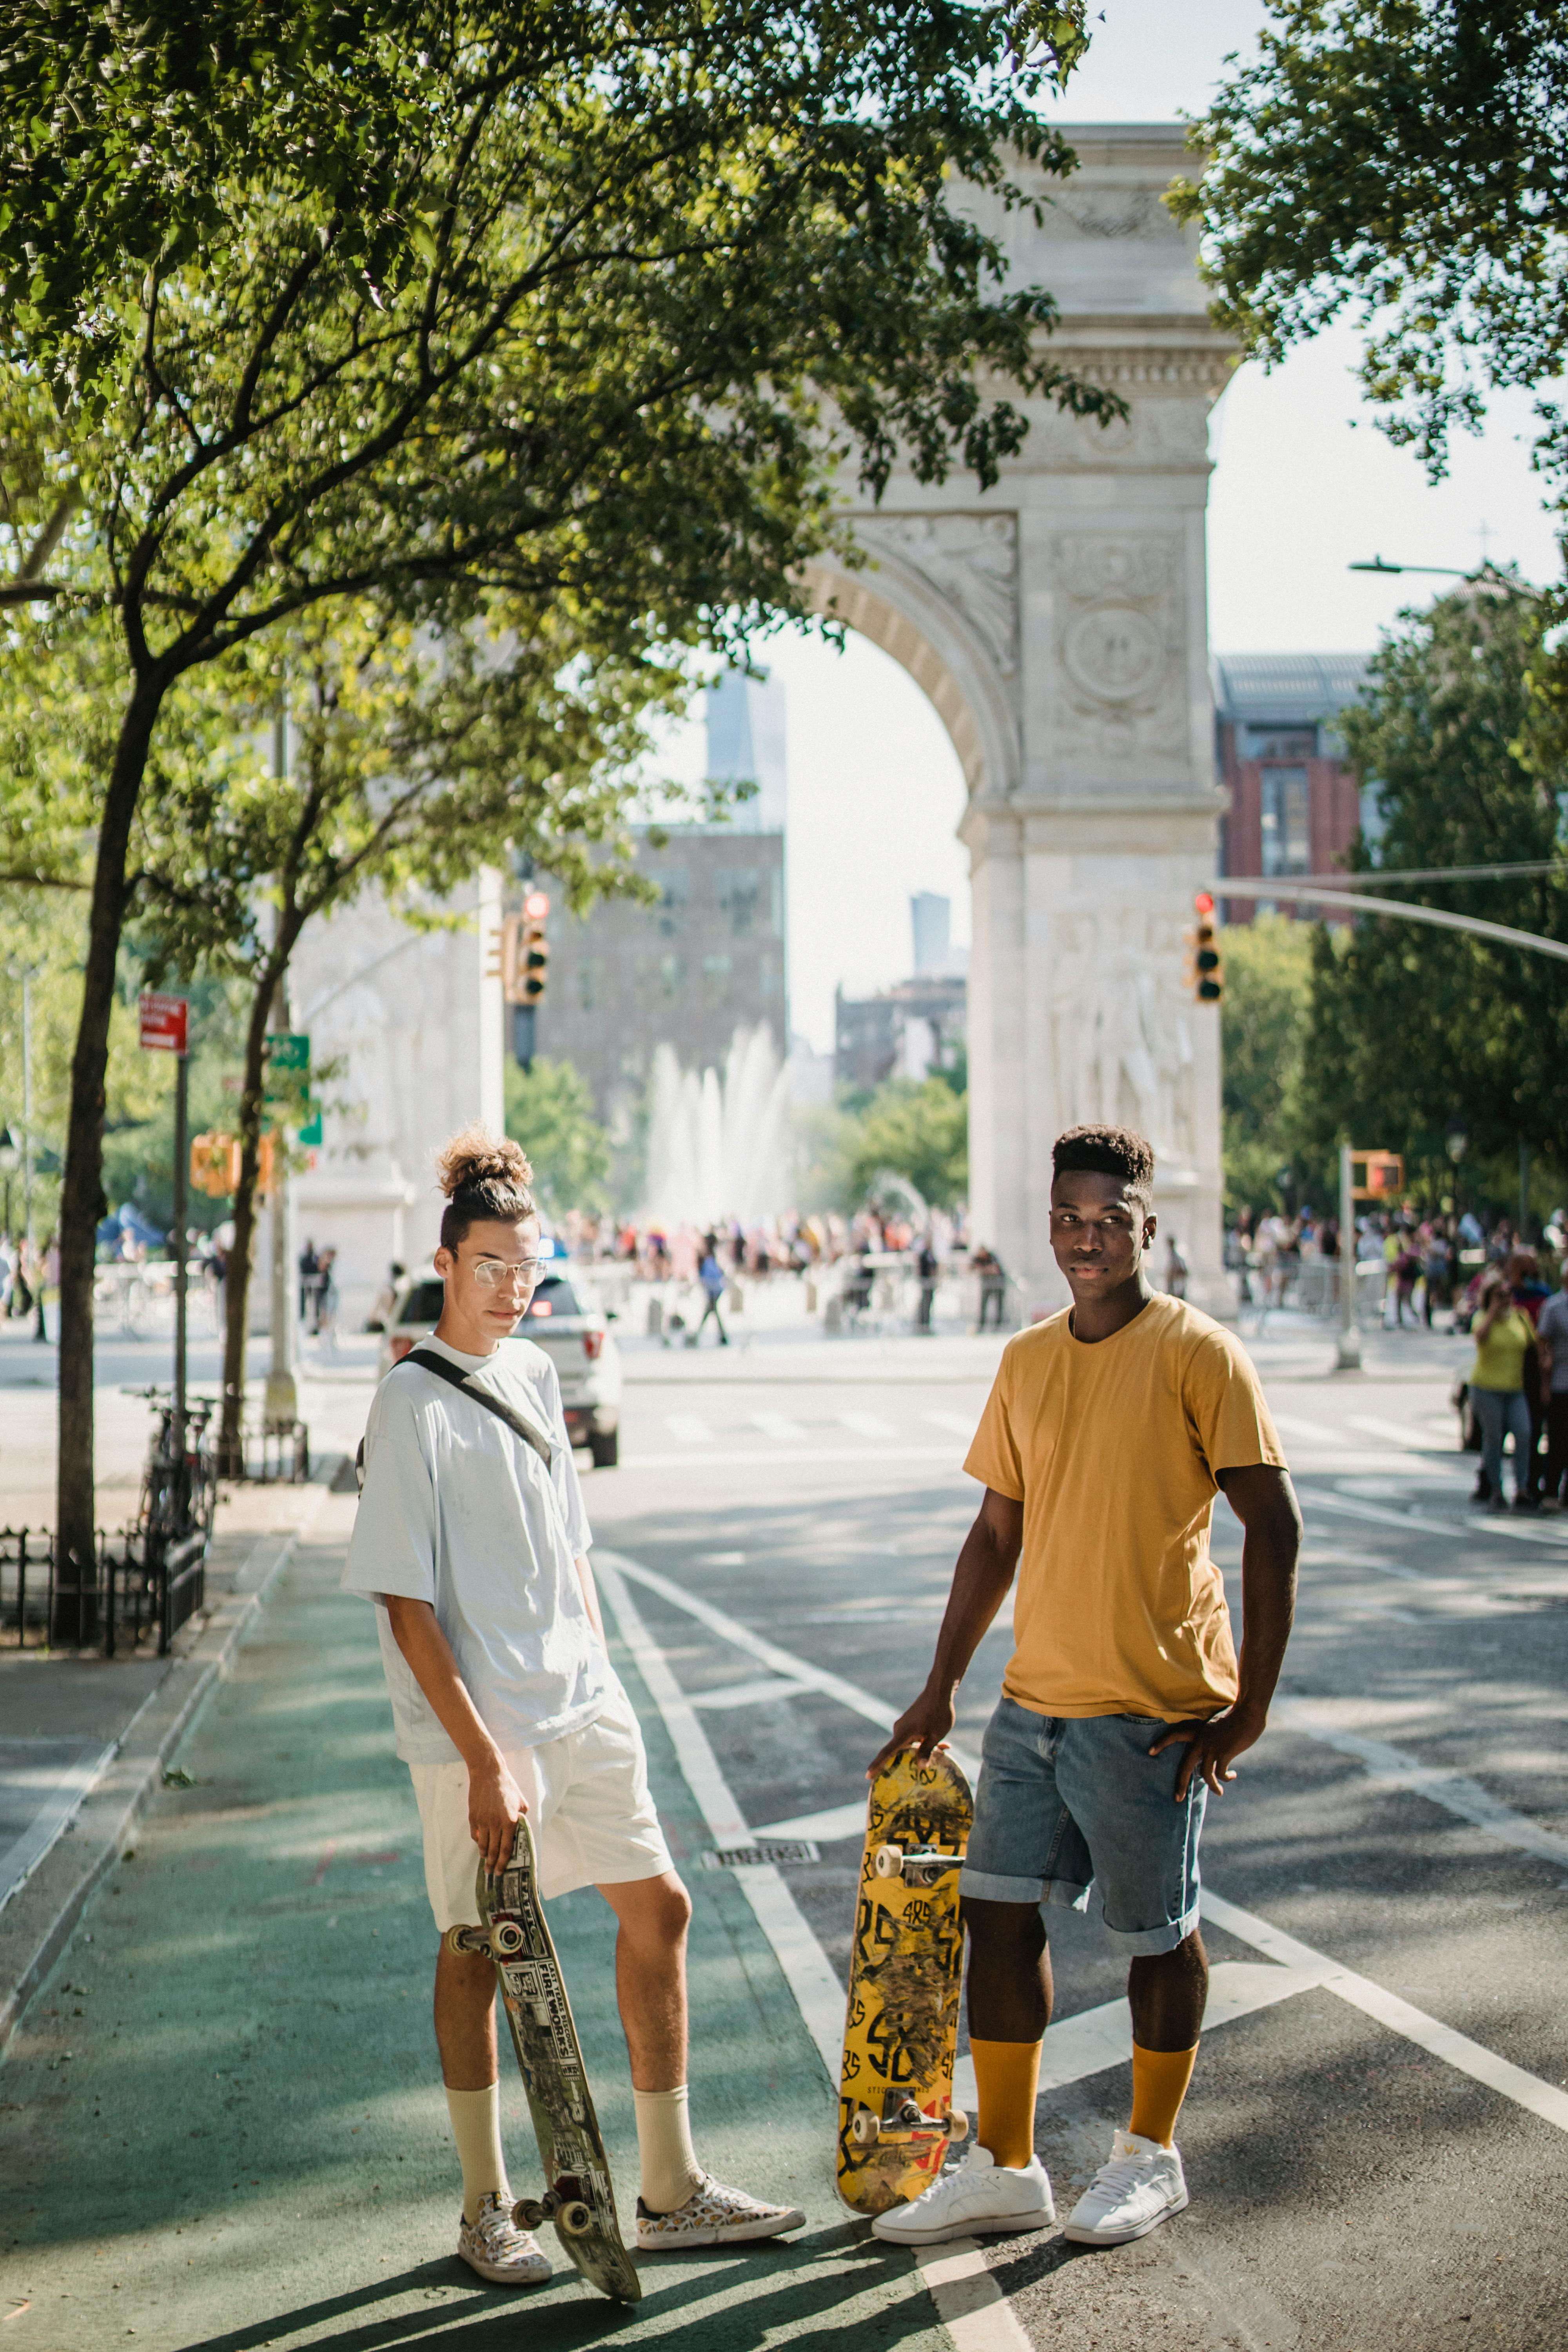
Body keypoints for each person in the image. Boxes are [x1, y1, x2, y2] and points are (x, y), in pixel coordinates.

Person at [343, 1129, 800, 2285]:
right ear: (447, 1260)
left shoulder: (541, 1375)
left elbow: (569, 1546)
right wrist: (483, 1755)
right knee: (477, 1950)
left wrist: (602, 1676)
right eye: (494, 1264)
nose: (515, 1288)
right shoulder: (409, 1400)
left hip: (582, 1709)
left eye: (530, 1267)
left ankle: (669, 2187)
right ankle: (484, 2205)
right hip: (478, 1739)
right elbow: (404, 1603)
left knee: (663, 1909)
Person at [867, 1123, 1300, 2254]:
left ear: (1149, 1226)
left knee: (1158, 1937)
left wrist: (1249, 1706)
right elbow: (995, 1531)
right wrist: (940, 1686)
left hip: (1154, 1712)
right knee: (998, 1919)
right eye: (1069, 1217)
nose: (1086, 1237)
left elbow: (1275, 1527)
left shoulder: (1202, 1355)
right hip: (1032, 1709)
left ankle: (1151, 2154)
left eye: (1110, 1218)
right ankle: (1007, 2167)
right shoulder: (1027, 1360)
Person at [1467, 1267, 1535, 1513]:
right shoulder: (1482, 1316)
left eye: (1508, 1294)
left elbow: (1533, 1345)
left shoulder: (1520, 1317)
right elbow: (1480, 1337)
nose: (1506, 1299)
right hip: (1486, 1388)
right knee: (1494, 1439)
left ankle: (1523, 1488)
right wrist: (1493, 1312)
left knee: (1524, 1433)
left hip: (1515, 1389)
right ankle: (1496, 1489)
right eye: (1500, 1295)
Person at [1535, 1258, 1568, 1506]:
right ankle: (1551, 1490)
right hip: (1560, 1380)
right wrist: (1545, 1382)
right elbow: (1542, 1341)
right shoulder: (1554, 1306)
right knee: (1557, 1439)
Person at [693, 1235, 728, 1347]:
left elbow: (711, 1276)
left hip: (714, 1289)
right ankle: (722, 1337)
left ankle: (699, 1335)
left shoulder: (709, 1259)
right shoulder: (712, 1257)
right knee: (711, 1311)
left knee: (710, 1311)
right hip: (715, 1289)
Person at [915, 1235, 939, 1332]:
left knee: (929, 1302)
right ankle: (922, 1322)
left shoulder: (931, 1254)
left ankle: (927, 1321)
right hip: (925, 1281)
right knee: (924, 1301)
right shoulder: (924, 1255)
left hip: (931, 1282)